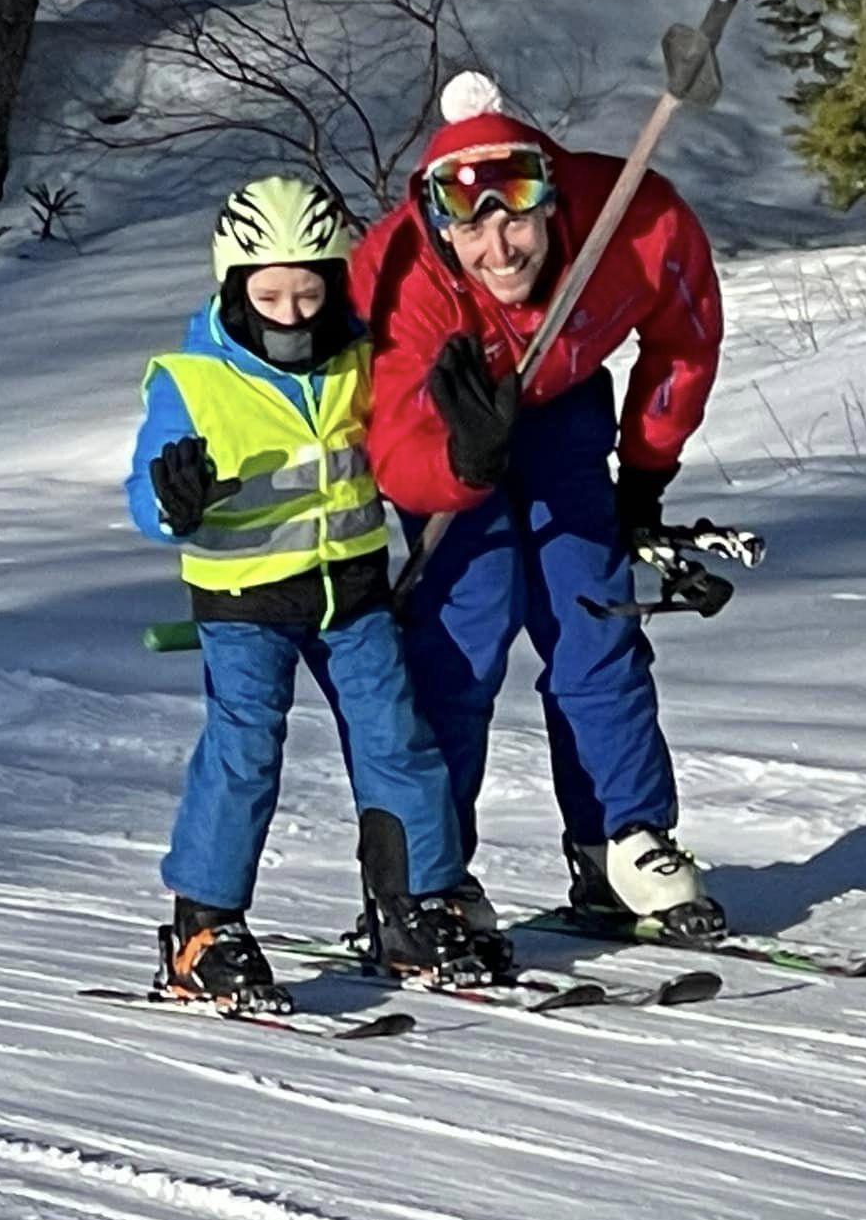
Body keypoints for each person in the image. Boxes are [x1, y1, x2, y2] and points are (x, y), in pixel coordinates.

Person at [349, 74, 728, 942]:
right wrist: (461, 462)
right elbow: (394, 444)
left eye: (516, 216)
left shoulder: (630, 218)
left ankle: (621, 843)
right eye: (471, 226)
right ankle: (427, 874)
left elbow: (686, 336)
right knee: (465, 633)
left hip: (561, 407)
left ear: (549, 198)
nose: (500, 248)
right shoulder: (398, 276)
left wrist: (646, 467)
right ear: (440, 224)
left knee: (594, 618)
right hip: (453, 435)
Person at [126, 175, 486, 1010]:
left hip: (351, 595)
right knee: (245, 750)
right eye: (269, 296)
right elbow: (145, 493)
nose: (290, 314)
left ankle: (411, 907)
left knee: (397, 738)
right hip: (245, 603)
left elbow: (405, 442)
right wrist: (173, 501)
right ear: (235, 288)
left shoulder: (358, 359)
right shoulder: (193, 378)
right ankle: (204, 928)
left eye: (309, 294)